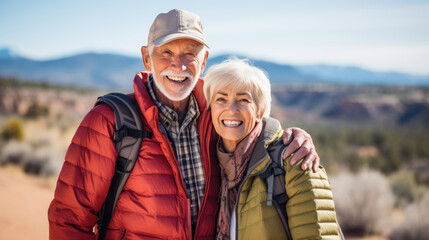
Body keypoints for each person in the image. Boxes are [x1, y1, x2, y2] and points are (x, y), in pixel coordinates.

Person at [48, 9, 320, 239]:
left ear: (204, 59)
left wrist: (292, 136)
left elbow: (254, 130)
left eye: (190, 53)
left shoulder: (217, 116)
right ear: (146, 57)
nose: (178, 66)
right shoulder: (110, 121)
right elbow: (69, 219)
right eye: (166, 52)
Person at [203, 59, 341, 240]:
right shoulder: (210, 164)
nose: (231, 109)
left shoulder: (295, 161)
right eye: (221, 99)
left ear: (260, 111)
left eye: (243, 100)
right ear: (211, 108)